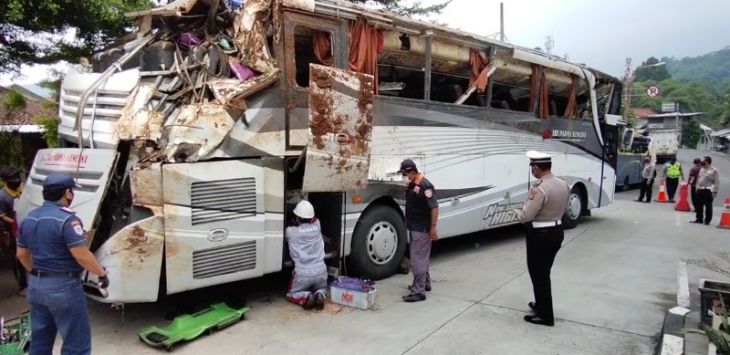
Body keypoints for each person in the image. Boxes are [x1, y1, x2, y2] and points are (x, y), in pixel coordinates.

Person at [16, 172, 109, 355]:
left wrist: (35, 272)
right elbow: (81, 255)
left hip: (36, 286)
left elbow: (21, 253)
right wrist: (102, 274)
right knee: (76, 344)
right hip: (63, 288)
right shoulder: (67, 219)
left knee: (40, 341)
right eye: (72, 191)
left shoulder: (29, 218)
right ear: (67, 193)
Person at [514, 151, 569, 327]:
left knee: (539, 275)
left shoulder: (540, 188)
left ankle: (545, 316)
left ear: (537, 168)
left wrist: (518, 212)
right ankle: (540, 304)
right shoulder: (562, 184)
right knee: (544, 272)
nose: (532, 169)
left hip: (540, 235)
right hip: (556, 231)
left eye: (532, 166)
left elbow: (526, 216)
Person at [399, 159, 438, 303]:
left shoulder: (424, 185)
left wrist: (433, 227)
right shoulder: (413, 184)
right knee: (422, 259)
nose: (404, 176)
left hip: (421, 228)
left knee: (417, 261)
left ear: (413, 172)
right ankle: (424, 284)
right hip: (415, 227)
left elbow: (434, 207)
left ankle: (418, 291)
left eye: (405, 174)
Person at [285, 200, 327, 310]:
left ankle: (307, 296)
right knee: (322, 288)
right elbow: (314, 219)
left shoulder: (291, 231)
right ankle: (320, 294)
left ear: (297, 218)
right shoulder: (318, 225)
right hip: (321, 270)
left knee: (291, 294)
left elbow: (289, 227)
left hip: (303, 273)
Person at [0, 166, 27, 293]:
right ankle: (22, 285)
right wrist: (16, 222)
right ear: (6, 180)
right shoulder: (2, 196)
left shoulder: (25, 189)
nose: (16, 180)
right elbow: (2, 216)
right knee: (17, 258)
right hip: (12, 231)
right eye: (12, 178)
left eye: (17, 176)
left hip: (28, 226)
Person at [691, 156, 720, 225]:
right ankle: (699, 219)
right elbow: (698, 179)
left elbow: (716, 182)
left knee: (708, 206)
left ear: (707, 162)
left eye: (703, 161)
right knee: (698, 205)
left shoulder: (714, 170)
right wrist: (697, 187)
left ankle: (707, 221)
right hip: (700, 189)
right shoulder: (702, 169)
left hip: (708, 190)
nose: (701, 163)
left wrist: (715, 191)